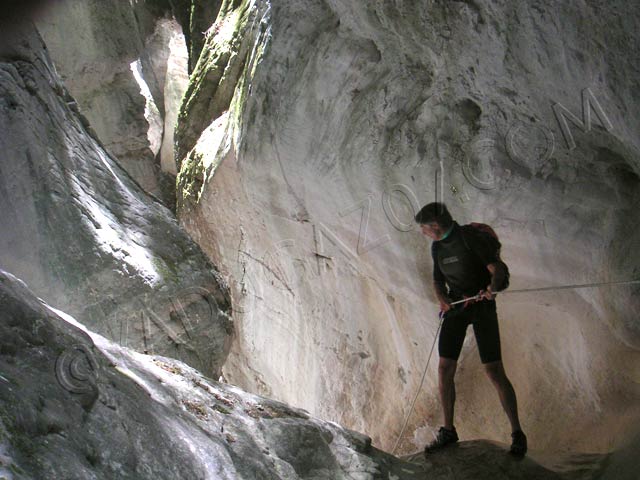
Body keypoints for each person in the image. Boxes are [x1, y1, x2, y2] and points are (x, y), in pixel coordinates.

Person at [415, 202, 527, 456]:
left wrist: (493, 289)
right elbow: (437, 279)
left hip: (482, 307)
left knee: (494, 370)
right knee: (445, 367)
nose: (422, 232)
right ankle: (448, 430)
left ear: (434, 226)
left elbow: (496, 269)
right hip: (456, 307)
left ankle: (518, 433)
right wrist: (442, 297)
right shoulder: (436, 248)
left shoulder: (468, 238)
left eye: (424, 228)